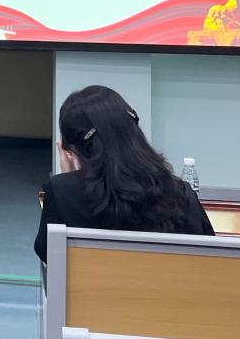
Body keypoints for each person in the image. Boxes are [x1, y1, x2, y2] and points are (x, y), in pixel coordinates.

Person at [34, 85, 214, 263]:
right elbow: (211, 256)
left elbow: (48, 255)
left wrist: (70, 180)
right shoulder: (183, 193)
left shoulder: (62, 191)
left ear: (71, 151)